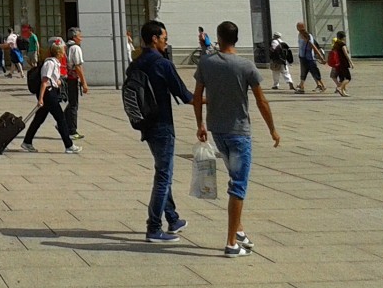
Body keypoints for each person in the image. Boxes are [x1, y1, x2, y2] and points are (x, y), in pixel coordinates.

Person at [193, 20, 279, 258]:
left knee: (234, 178)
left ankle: (238, 230)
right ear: (237, 39)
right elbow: (261, 101)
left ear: (218, 38)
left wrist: (200, 124)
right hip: (239, 131)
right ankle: (231, 242)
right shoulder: (245, 66)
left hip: (217, 130)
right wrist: (272, 129)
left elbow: (198, 96)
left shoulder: (206, 63)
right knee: (238, 185)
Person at [129, 20, 193, 244]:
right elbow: (184, 95)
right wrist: (209, 100)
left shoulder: (135, 64)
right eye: (164, 38)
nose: (166, 42)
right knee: (164, 175)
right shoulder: (162, 64)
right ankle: (154, 227)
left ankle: (172, 218)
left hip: (144, 122)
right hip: (162, 124)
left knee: (162, 171)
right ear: (154, 39)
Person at [21, 39, 79, 154]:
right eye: (63, 51)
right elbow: (44, 81)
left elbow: (51, 79)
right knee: (61, 119)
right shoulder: (50, 63)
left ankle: (27, 141)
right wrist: (40, 99)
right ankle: (69, 145)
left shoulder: (54, 63)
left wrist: (58, 82)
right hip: (48, 94)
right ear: (58, 52)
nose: (64, 53)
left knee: (39, 119)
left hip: (51, 92)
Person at [64, 28, 89, 140]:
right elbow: (78, 66)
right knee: (74, 105)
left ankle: (62, 123)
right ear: (74, 37)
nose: (81, 39)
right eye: (80, 36)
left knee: (71, 103)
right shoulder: (75, 48)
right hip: (72, 78)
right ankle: (72, 130)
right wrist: (84, 83)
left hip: (66, 78)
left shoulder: (66, 46)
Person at [294, 21, 328, 93]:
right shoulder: (300, 34)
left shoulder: (306, 35)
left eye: (298, 26)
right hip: (303, 57)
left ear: (302, 27)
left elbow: (313, 46)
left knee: (314, 72)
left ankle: (322, 86)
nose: (297, 28)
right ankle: (302, 87)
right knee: (304, 73)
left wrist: (321, 57)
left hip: (309, 58)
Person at [329, 32, 354, 96]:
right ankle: (339, 88)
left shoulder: (336, 44)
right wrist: (351, 62)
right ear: (343, 37)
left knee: (342, 78)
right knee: (348, 78)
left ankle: (343, 92)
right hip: (343, 63)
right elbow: (346, 54)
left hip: (338, 63)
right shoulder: (342, 44)